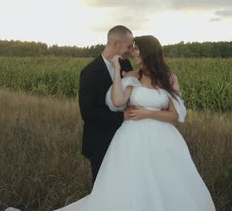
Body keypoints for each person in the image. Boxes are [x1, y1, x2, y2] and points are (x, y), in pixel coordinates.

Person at [56, 35, 215, 211]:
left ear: (149, 52)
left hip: (162, 139)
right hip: (131, 138)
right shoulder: (134, 76)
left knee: (165, 180)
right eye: (133, 48)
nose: (134, 53)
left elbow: (174, 116)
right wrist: (117, 69)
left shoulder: (169, 79)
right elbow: (117, 101)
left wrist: (148, 113)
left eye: (137, 49)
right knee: (132, 182)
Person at [78, 25, 135, 186]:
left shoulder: (126, 65)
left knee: (122, 184)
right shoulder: (90, 72)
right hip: (100, 141)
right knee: (102, 186)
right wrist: (121, 116)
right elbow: (87, 113)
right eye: (128, 46)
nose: (130, 50)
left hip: (124, 138)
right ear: (115, 43)